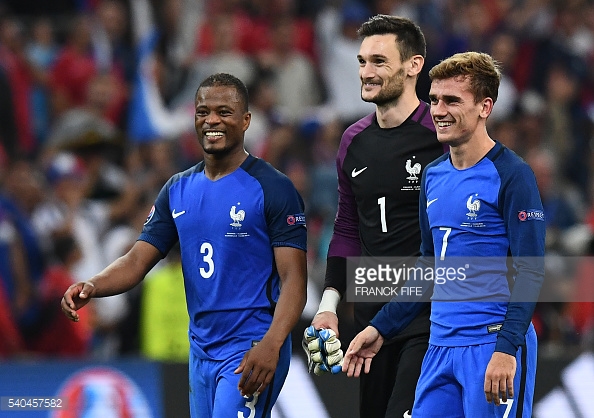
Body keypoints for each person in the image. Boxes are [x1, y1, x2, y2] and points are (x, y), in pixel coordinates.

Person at [61, 73, 308, 417]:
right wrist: (93, 284)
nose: (212, 120)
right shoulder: (177, 189)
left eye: (224, 111)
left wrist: (273, 343)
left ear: (246, 120)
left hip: (251, 345)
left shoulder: (273, 188)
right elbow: (136, 260)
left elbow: (294, 278)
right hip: (201, 351)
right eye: (203, 112)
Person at [342, 52, 546, 417]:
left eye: (452, 100)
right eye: (434, 99)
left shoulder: (513, 175)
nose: (438, 110)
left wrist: (506, 347)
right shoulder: (432, 175)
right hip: (439, 347)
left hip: (491, 344)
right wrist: (382, 327)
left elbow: (531, 270)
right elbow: (429, 265)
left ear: (485, 107)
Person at [305, 14, 444, 418]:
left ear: (413, 66)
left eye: (379, 62)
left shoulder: (441, 135)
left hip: (427, 318)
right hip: (370, 319)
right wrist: (330, 304)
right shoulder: (353, 140)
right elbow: (347, 227)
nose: (366, 72)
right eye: (363, 61)